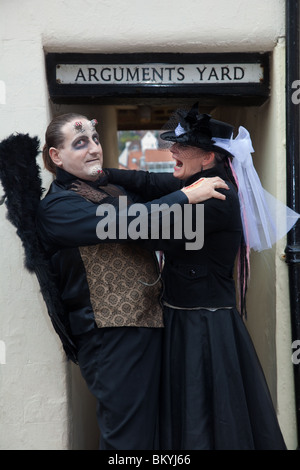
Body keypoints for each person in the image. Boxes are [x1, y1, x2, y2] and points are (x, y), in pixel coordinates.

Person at [35, 112, 229, 450]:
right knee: (128, 440)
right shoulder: (58, 207)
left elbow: (153, 187)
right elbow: (126, 223)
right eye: (80, 143)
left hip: (150, 323)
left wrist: (205, 174)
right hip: (111, 338)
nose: (93, 148)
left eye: (94, 140)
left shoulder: (110, 186)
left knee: (158, 432)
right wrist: (187, 197)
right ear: (55, 156)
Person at [106, 103, 293, 450]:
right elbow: (147, 181)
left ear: (208, 158)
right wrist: (102, 177)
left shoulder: (217, 197)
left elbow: (148, 234)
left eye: (183, 146)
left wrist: (105, 211)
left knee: (206, 414)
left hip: (205, 327)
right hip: (183, 318)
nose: (172, 150)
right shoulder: (197, 183)